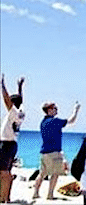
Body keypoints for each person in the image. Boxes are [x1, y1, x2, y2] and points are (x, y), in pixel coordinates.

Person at [32, 100, 80, 200]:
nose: (56, 110)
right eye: (54, 108)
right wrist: (76, 110)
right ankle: (50, 194)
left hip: (44, 152)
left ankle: (35, 193)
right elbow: (71, 121)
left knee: (42, 173)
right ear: (49, 110)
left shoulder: (43, 122)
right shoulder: (55, 121)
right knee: (55, 173)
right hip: (54, 152)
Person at [0, 75, 24, 204]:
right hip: (11, 144)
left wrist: (2, 85)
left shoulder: (13, 112)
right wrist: (20, 87)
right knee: (6, 172)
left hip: (6, 144)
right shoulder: (21, 112)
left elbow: (6, 100)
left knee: (4, 173)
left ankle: (4, 199)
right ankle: (5, 197)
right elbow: (21, 100)